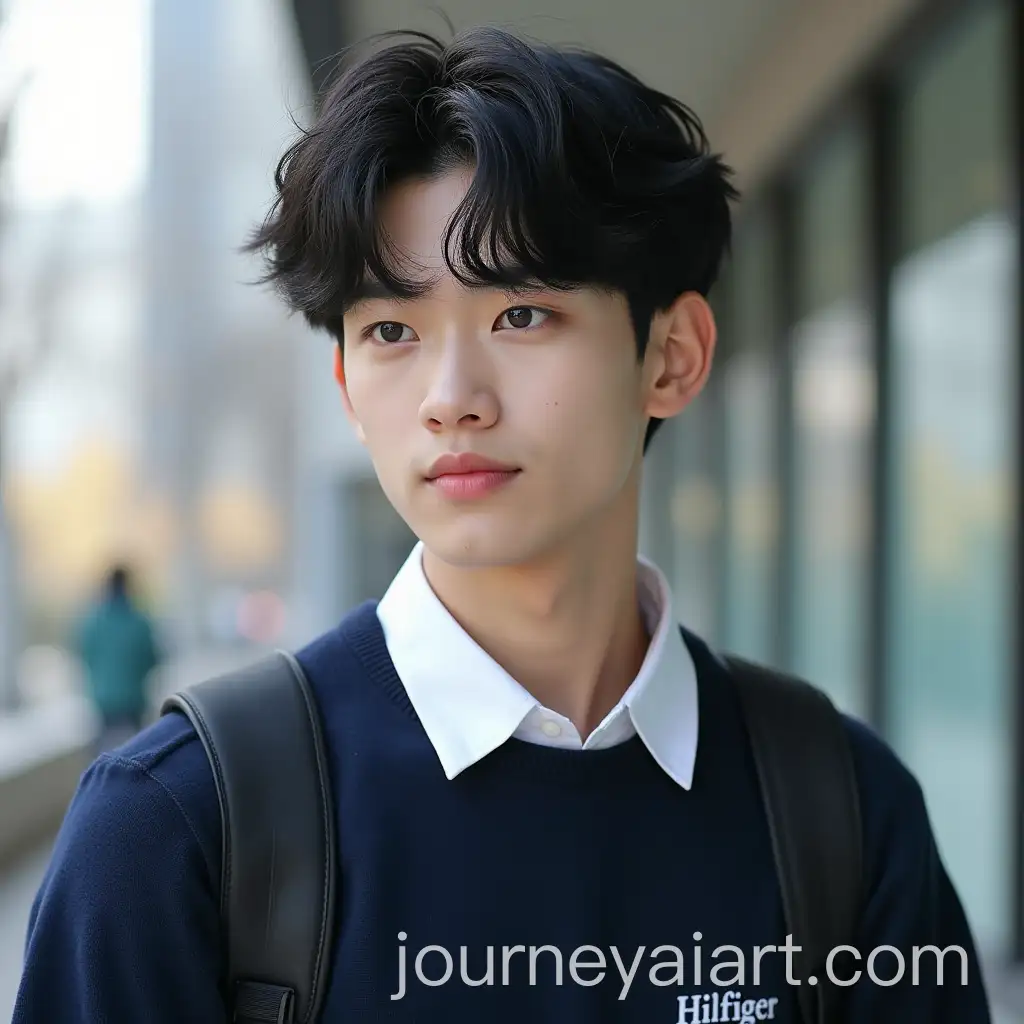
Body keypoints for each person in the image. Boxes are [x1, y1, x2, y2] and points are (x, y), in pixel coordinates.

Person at [13, 26, 990, 1023]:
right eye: (392, 331)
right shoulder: (178, 829)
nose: (450, 399)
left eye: (519, 314)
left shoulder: (842, 811)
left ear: (673, 356)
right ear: (349, 387)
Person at [73, 563, 162, 754]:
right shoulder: (139, 622)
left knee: (100, 757)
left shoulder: (92, 622)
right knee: (141, 754)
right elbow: (153, 659)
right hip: (133, 701)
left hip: (103, 700)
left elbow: (84, 655)